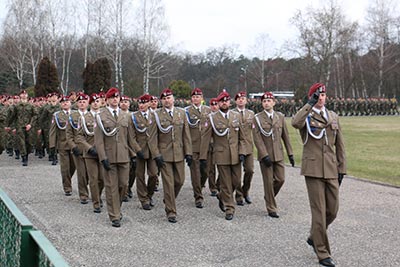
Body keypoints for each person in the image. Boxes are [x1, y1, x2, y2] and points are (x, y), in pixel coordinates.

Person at [292, 83, 346, 267]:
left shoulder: (333, 116)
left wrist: (342, 168)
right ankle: (323, 253)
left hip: (331, 168)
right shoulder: (306, 115)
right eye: (318, 95)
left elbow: (340, 145)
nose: (321, 98)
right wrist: (309, 104)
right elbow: (294, 123)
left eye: (323, 95)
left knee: (333, 210)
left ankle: (314, 236)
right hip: (313, 169)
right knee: (319, 212)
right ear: (313, 97)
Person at [94, 87, 141, 227]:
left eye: (117, 97)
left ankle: (117, 207)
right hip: (109, 156)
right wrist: (103, 157)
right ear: (107, 100)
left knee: (123, 185)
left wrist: (135, 153)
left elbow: (130, 138)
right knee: (111, 187)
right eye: (112, 97)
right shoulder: (100, 116)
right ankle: (114, 215)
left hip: (123, 156)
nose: (115, 99)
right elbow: (98, 139)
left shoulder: (126, 116)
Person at [148, 88, 192, 223]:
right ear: (162, 101)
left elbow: (186, 135)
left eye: (169, 98)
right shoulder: (156, 115)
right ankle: (171, 211)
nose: (167, 100)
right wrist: (156, 155)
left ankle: (168, 198)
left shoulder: (181, 113)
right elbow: (152, 138)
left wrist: (188, 152)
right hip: (164, 154)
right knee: (168, 183)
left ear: (173, 99)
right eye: (164, 98)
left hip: (178, 153)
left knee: (179, 181)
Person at [200, 91, 245, 221]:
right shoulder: (212, 118)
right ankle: (229, 208)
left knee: (236, 182)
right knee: (225, 182)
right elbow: (205, 138)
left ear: (230, 102)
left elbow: (242, 137)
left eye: (226, 100)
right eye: (221, 101)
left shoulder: (236, 116)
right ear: (218, 103)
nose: (224, 103)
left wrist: (242, 152)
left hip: (235, 154)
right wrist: (203, 157)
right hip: (221, 154)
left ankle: (222, 196)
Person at [253, 91, 294, 218]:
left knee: (280, 179)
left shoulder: (280, 117)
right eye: (264, 101)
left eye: (269, 101)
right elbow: (257, 139)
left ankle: (268, 197)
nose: (266, 103)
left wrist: (290, 153)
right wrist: (264, 155)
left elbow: (285, 136)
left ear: (274, 102)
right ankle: (271, 207)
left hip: (279, 154)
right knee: (268, 182)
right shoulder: (257, 118)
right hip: (266, 156)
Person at [76, 93, 104, 213]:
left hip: (103, 152)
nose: (95, 103)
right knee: (93, 178)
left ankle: (98, 195)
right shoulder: (83, 118)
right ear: (90, 104)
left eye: (97, 101)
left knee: (102, 179)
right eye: (93, 101)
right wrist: (88, 148)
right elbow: (79, 137)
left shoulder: (105, 116)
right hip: (90, 153)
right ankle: (96, 202)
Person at [185, 88, 212, 208]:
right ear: (191, 98)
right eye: (194, 97)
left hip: (205, 146)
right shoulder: (187, 112)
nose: (196, 98)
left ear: (202, 98)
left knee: (206, 171)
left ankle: (199, 187)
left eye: (198, 96)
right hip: (193, 146)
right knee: (195, 173)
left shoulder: (208, 110)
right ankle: (198, 197)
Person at [130, 94, 157, 210]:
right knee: (139, 176)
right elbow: (131, 136)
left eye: (144, 103)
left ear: (149, 103)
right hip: (140, 150)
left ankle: (149, 195)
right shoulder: (134, 117)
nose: (141, 105)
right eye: (140, 103)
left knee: (153, 174)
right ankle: (143, 199)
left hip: (152, 150)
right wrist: (137, 150)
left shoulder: (155, 116)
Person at [49, 95, 76, 195]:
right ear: (60, 104)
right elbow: (53, 131)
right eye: (63, 102)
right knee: (65, 168)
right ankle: (67, 187)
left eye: (67, 102)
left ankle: (68, 178)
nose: (65, 103)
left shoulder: (76, 114)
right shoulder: (57, 115)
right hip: (63, 144)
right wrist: (52, 145)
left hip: (74, 145)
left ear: (70, 103)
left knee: (73, 166)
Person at [66, 93, 90, 204]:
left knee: (91, 174)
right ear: (76, 104)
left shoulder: (92, 116)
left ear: (88, 103)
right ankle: (83, 194)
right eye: (80, 102)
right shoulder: (72, 117)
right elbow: (69, 134)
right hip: (78, 149)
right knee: (81, 173)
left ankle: (92, 190)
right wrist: (73, 146)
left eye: (84, 101)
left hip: (90, 149)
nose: (82, 103)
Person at [232, 91, 255, 205]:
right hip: (236, 147)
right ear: (235, 101)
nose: (241, 100)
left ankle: (245, 191)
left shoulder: (251, 114)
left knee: (250, 171)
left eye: (243, 98)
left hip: (248, 147)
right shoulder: (231, 114)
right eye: (238, 98)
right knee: (236, 176)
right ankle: (239, 195)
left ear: (246, 101)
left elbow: (254, 130)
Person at [6, 90, 37, 166]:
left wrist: (30, 124)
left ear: (27, 96)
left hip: (29, 127)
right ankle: (24, 157)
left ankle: (27, 154)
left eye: (25, 94)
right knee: (21, 142)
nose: (23, 95)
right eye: (22, 94)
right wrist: (8, 125)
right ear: (20, 96)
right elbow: (13, 116)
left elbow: (35, 115)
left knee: (29, 142)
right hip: (19, 126)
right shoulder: (17, 106)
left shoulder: (31, 106)